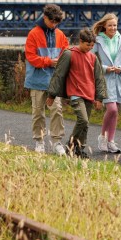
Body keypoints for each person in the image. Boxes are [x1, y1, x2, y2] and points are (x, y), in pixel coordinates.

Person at [46, 28, 107, 159]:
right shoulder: (69, 54)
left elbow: (99, 78)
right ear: (80, 41)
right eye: (87, 45)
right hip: (75, 93)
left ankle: (79, 149)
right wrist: (52, 95)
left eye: (92, 45)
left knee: (86, 124)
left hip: (89, 94)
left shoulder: (93, 57)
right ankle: (71, 145)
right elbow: (59, 75)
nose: (90, 48)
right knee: (83, 120)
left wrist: (99, 98)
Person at [24, 3, 70, 155]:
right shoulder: (33, 34)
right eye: (52, 21)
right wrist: (49, 62)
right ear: (45, 18)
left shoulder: (61, 35)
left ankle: (57, 142)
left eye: (57, 22)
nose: (55, 25)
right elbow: (31, 58)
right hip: (37, 81)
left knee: (57, 110)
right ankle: (39, 141)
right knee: (38, 113)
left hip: (53, 80)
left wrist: (58, 63)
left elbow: (66, 54)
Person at [92, 13, 121, 154]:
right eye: (110, 25)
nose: (113, 28)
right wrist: (105, 68)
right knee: (112, 109)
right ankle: (102, 137)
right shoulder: (97, 41)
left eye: (115, 25)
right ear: (104, 26)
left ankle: (111, 141)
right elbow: (90, 59)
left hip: (118, 78)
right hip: (104, 79)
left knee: (115, 112)